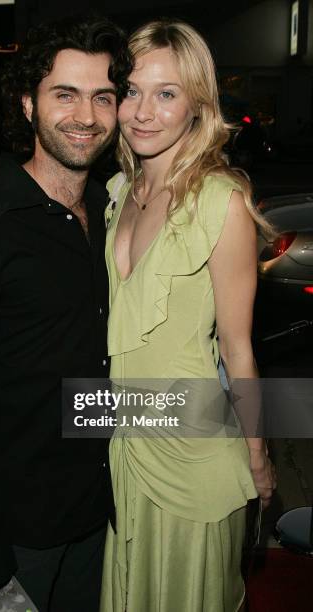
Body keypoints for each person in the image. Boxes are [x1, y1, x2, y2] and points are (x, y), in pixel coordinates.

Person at [0, 16, 131, 611]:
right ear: (26, 103)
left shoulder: (108, 208)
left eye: (102, 97)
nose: (85, 116)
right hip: (17, 533)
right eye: (64, 94)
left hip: (100, 510)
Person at [100, 20, 276, 612]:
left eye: (167, 93)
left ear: (198, 107)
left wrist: (257, 457)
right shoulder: (119, 191)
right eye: (131, 90)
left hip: (193, 452)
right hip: (124, 439)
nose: (143, 112)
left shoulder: (220, 202)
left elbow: (239, 350)